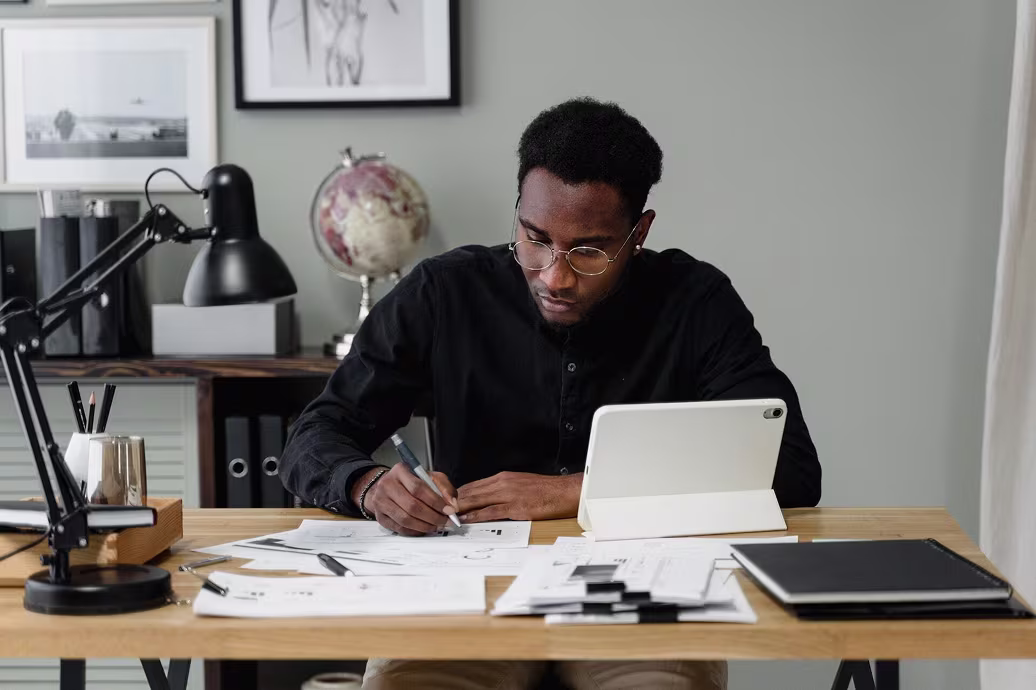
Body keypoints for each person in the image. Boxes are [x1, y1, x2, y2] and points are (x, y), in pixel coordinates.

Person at [280, 97, 822, 690]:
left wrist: (576, 492)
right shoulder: (444, 292)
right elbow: (315, 435)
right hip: (467, 585)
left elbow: (792, 470)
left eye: (588, 250)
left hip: (639, 587)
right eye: (535, 238)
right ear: (517, 210)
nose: (555, 276)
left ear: (639, 234)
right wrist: (369, 485)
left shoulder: (695, 302)